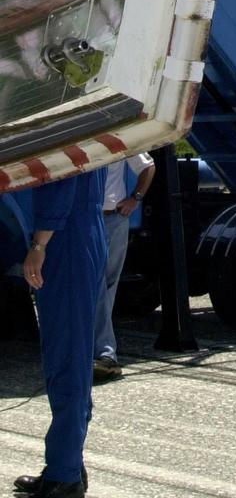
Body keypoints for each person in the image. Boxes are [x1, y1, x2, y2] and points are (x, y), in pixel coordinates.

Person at [15, 169, 106, 498]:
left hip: (65, 236)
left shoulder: (70, 126)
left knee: (66, 357)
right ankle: (68, 464)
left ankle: (63, 476)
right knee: (74, 357)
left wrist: (39, 243)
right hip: (82, 228)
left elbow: (61, 175)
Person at [93, 152, 155, 381]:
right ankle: (103, 352)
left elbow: (148, 167)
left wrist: (135, 198)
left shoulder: (119, 140)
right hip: (89, 218)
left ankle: (104, 353)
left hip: (113, 217)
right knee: (97, 286)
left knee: (106, 286)